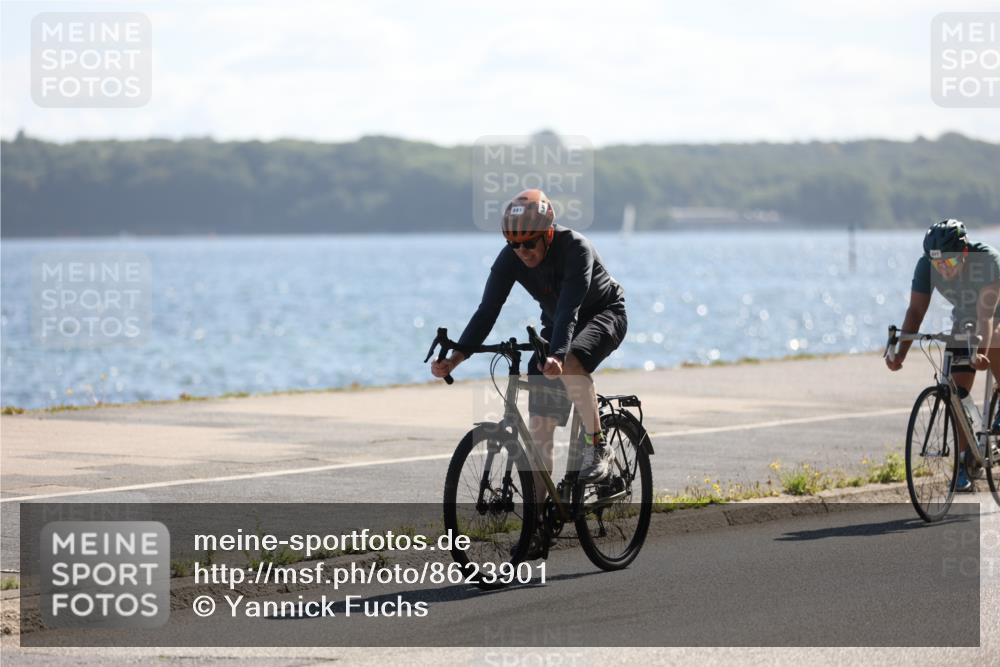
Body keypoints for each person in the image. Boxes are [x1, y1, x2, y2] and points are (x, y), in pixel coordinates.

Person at [431, 188, 628, 499]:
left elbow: (569, 310)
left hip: (603, 315)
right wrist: (455, 359)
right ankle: (538, 516)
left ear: (547, 234)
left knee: (570, 362)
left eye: (529, 243)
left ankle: (597, 446)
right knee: (540, 432)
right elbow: (487, 312)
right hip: (558, 324)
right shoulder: (510, 258)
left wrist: (558, 356)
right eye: (514, 244)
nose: (522, 251)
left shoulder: (575, 248)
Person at [887, 219, 1000, 491]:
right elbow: (916, 311)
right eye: (938, 264)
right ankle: (964, 461)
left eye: (949, 262)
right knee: (956, 394)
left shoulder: (987, 260)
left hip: (993, 316)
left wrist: (980, 354)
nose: (943, 269)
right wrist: (900, 353)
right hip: (966, 320)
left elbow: (986, 316)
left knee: (995, 339)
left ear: (964, 252)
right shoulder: (926, 264)